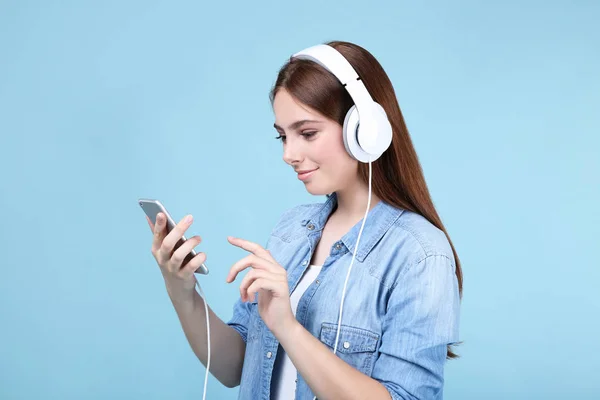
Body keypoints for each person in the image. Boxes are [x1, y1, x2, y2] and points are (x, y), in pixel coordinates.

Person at [146, 40, 462, 400]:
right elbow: (234, 367)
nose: (289, 154)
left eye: (307, 133)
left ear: (365, 130)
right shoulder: (291, 230)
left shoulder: (419, 253)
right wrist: (181, 289)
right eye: (282, 136)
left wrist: (287, 327)